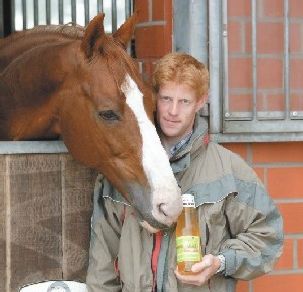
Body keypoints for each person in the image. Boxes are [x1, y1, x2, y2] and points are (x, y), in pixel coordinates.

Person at [86, 52, 283, 292]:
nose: (172, 110)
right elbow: (102, 263)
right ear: (155, 97)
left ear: (201, 101)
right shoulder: (124, 168)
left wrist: (220, 263)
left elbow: (268, 237)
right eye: (166, 98)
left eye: (184, 102)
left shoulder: (229, 170)